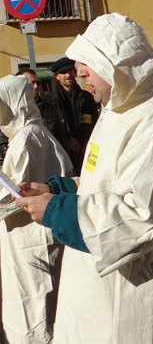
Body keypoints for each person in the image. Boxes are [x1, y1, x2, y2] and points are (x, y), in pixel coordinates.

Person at [16, 13, 153, 343]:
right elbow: (105, 182)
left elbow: (139, 218)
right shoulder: (118, 113)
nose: (79, 72)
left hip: (144, 304)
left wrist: (57, 210)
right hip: (107, 298)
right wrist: (58, 189)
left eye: (90, 62)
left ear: (118, 65)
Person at [0, 75, 74, 343]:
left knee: (35, 315)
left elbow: (14, 194)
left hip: (32, 242)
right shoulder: (31, 135)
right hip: (32, 240)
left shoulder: (27, 139)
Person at [44, 57, 99, 173]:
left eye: (70, 71)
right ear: (57, 77)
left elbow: (95, 123)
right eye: (63, 72)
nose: (68, 75)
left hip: (86, 153)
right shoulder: (49, 101)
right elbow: (49, 129)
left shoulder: (87, 98)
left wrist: (88, 142)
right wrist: (67, 139)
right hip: (62, 154)